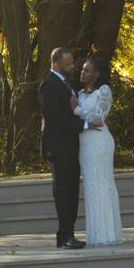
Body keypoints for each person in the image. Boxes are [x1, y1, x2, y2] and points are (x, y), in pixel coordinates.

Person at [38, 47, 99, 249]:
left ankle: (68, 234)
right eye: (69, 63)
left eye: (72, 63)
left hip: (71, 147)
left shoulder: (66, 84)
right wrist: (84, 125)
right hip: (58, 148)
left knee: (72, 192)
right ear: (56, 64)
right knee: (64, 192)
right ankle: (65, 237)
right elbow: (56, 117)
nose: (73, 66)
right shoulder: (48, 86)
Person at [72, 57, 124, 246]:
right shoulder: (79, 94)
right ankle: (96, 234)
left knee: (102, 184)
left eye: (87, 70)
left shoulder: (104, 91)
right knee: (91, 186)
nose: (82, 73)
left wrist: (77, 110)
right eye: (83, 69)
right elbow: (84, 121)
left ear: (97, 74)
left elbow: (99, 118)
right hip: (85, 144)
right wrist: (79, 113)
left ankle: (108, 234)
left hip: (100, 142)